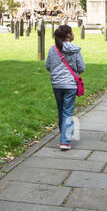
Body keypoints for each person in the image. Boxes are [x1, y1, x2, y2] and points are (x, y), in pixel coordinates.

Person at [45, 22, 85, 150]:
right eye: (72, 32)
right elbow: (81, 67)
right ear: (68, 35)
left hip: (56, 84)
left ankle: (64, 135)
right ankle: (65, 141)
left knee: (61, 109)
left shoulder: (53, 49)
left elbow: (48, 66)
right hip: (70, 84)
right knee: (68, 111)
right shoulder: (75, 49)